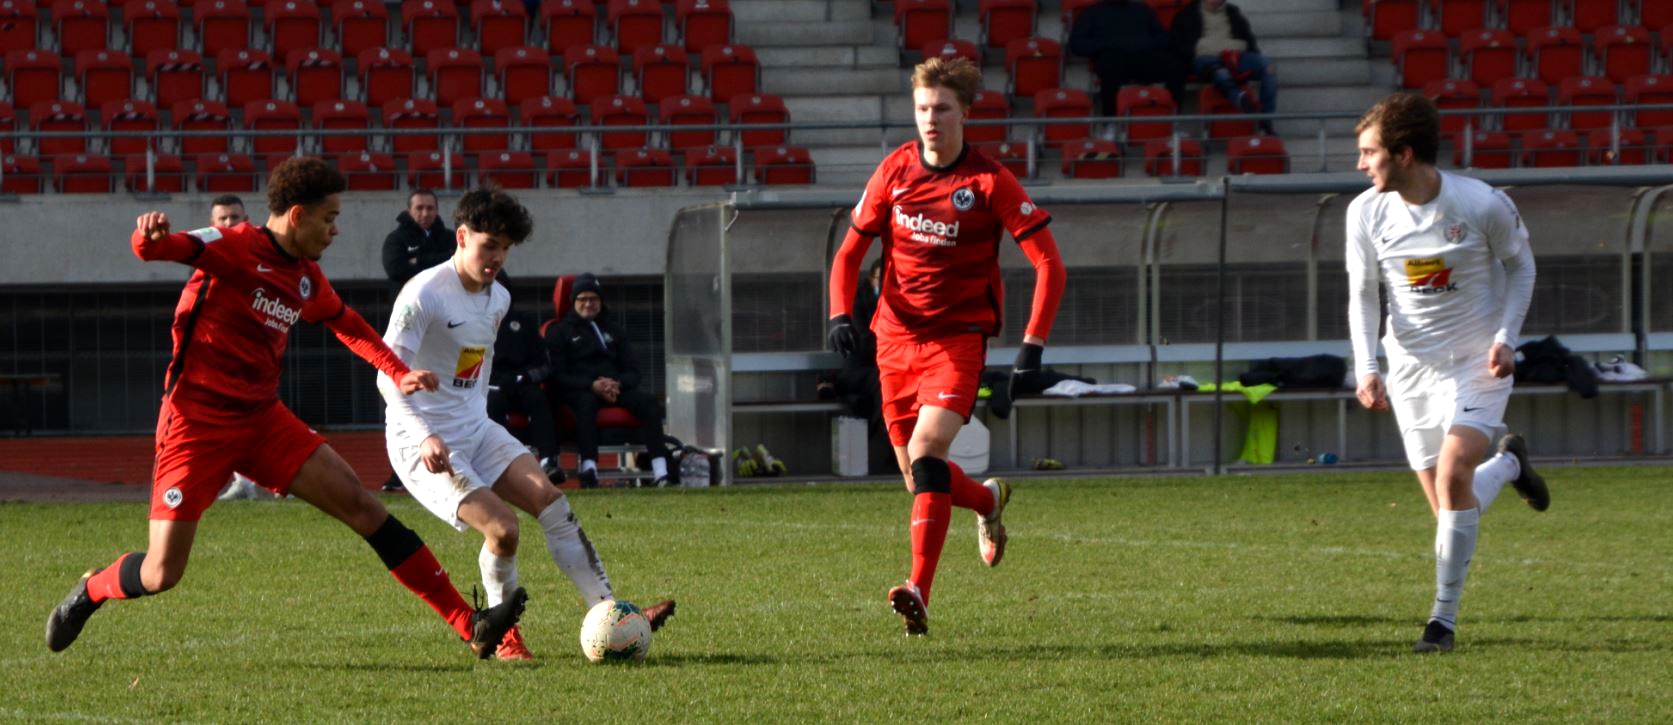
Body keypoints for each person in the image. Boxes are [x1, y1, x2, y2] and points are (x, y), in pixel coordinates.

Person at [45, 157, 525, 659]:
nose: (335, 230)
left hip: (262, 421)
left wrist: (396, 370)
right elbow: (157, 249)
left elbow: (347, 323)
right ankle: (92, 589)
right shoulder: (232, 246)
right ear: (297, 215)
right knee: (161, 572)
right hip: (196, 425)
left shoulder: (305, 278)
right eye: (329, 218)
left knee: (363, 507)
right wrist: (147, 236)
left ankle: (469, 623)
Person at [379, 187, 672, 662]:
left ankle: (613, 614)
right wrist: (425, 433)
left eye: (505, 247)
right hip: (421, 440)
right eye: (489, 245)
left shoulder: (498, 298)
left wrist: (479, 419)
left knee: (553, 503)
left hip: (475, 429)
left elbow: (475, 367)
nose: (497, 257)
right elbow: (384, 374)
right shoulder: (423, 294)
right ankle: (502, 636)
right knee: (503, 530)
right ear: (461, 237)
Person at [827, 56, 1066, 636]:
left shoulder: (988, 181)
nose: (930, 119)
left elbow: (1049, 264)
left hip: (957, 342)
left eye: (941, 108)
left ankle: (918, 590)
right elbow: (848, 253)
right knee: (918, 479)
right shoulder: (894, 170)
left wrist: (1032, 346)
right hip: (893, 340)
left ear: (964, 114)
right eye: (922, 109)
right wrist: (839, 313)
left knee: (929, 452)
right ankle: (987, 502)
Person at [1347, 93, 1550, 654]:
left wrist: (1507, 338)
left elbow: (1522, 268)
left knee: (1455, 475)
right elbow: (1362, 294)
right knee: (1448, 509)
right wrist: (1367, 367)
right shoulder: (1364, 212)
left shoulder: (1481, 203)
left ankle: (1441, 623)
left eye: (1369, 152)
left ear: (1404, 154)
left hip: (1476, 361)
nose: (1361, 164)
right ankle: (1509, 464)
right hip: (1410, 367)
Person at [544, 274, 673, 488]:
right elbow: (558, 375)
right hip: (581, 390)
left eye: (593, 299)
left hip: (615, 389)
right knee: (586, 404)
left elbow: (633, 372)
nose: (588, 304)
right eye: (582, 299)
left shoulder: (614, 330)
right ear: (573, 301)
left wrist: (616, 384)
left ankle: (661, 472)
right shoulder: (559, 332)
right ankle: (589, 469)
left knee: (649, 403)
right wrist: (592, 385)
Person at [207, 194, 274, 502]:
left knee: (257, 414)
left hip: (254, 350)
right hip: (218, 351)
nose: (229, 223)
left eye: (235, 217)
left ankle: (282, 476)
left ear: (246, 221)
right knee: (227, 418)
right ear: (212, 224)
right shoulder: (205, 256)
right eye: (223, 218)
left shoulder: (260, 254)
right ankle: (246, 481)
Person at [1170, 0, 1277, 135]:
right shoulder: (1187, 14)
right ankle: (1239, 98)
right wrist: (1232, 45)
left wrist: (1207, 45)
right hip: (1206, 60)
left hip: (1234, 56)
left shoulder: (1233, 12)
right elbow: (1183, 47)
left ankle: (1265, 121)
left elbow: (1249, 43)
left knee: (1268, 67)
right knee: (1220, 73)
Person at [486, 302, 565, 483]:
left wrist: (524, 377)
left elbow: (543, 363)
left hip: (522, 382)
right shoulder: (474, 320)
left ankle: (548, 461)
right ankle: (502, 464)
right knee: (493, 404)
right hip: (490, 386)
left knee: (538, 399)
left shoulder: (523, 322)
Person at [1068, 0, 1186, 116]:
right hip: (1114, 60)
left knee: (1176, 66)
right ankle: (1110, 121)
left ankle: (1171, 116)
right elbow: (1076, 44)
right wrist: (1107, 46)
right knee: (1110, 67)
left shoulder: (1142, 9)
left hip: (1144, 57)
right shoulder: (1092, 13)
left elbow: (1163, 38)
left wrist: (1143, 44)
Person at [382, 189, 453, 291]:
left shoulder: (450, 237)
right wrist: (442, 261)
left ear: (436, 211)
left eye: (430, 208)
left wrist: (419, 260)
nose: (425, 213)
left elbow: (459, 265)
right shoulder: (395, 239)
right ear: (409, 211)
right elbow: (396, 271)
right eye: (419, 208)